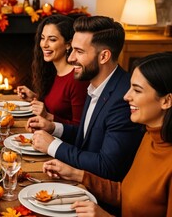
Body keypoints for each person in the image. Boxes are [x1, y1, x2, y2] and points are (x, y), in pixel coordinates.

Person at [42, 52, 172, 217]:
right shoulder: (150, 137)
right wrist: (76, 174)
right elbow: (126, 194)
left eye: (137, 91)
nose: (126, 96)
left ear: (166, 101)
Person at [27, 16, 144, 181]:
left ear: (104, 56)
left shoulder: (124, 98)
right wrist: (53, 127)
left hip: (100, 197)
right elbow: (87, 136)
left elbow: (107, 166)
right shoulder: (96, 83)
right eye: (72, 49)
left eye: (79, 51)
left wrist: (53, 146)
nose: (70, 58)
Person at [17, 15, 89, 124]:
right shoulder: (52, 71)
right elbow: (57, 107)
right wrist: (35, 98)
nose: (44, 44)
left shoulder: (77, 79)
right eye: (42, 38)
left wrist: (48, 116)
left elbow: (80, 130)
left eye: (52, 39)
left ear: (68, 45)